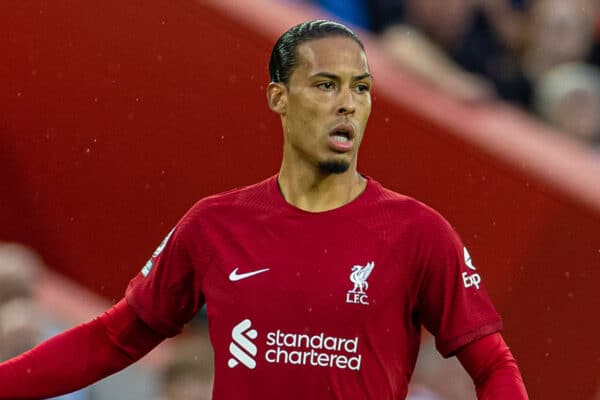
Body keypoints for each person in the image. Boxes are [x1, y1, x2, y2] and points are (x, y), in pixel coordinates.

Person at [0, 20, 528, 399]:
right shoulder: (213, 224)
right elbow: (113, 339)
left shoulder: (419, 232)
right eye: (325, 85)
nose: (347, 103)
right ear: (278, 97)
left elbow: (493, 365)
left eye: (360, 89)